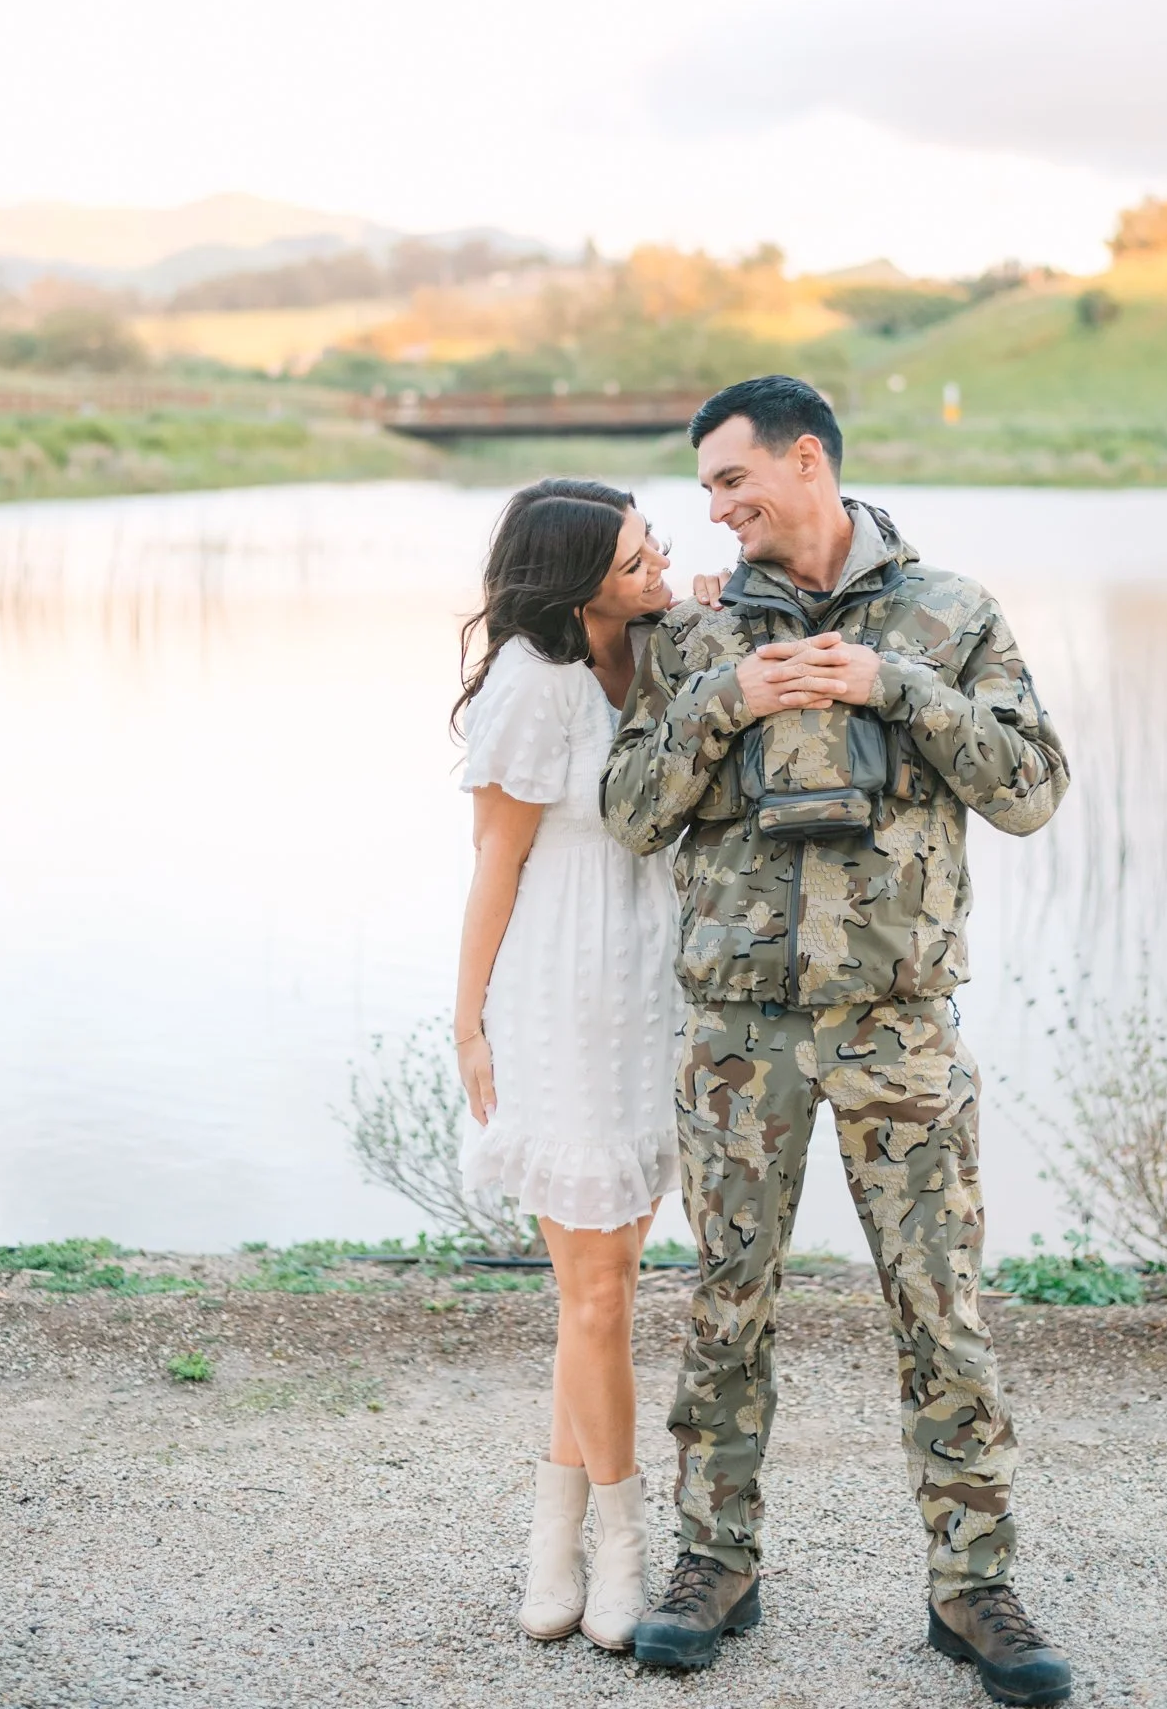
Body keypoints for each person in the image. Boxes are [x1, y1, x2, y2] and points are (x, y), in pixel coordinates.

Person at [602, 377, 1074, 1707]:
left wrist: (895, 685)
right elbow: (631, 810)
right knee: (724, 1307)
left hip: (897, 1028)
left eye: (730, 481)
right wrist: (726, 703)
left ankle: (971, 1589)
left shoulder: (950, 615)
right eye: (704, 492)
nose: (715, 507)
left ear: (803, 462)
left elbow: (1030, 789)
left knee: (939, 1309)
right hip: (737, 1032)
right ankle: (714, 1566)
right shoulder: (693, 636)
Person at [451, 478, 684, 1654]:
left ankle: (552, 1535)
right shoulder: (530, 683)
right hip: (563, 993)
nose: (659, 566)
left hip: (653, 991)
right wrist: (467, 1020)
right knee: (594, 1295)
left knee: (605, 1294)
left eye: (657, 547)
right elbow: (494, 858)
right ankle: (624, 1544)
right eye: (637, 556)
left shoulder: (651, 658)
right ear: (577, 573)